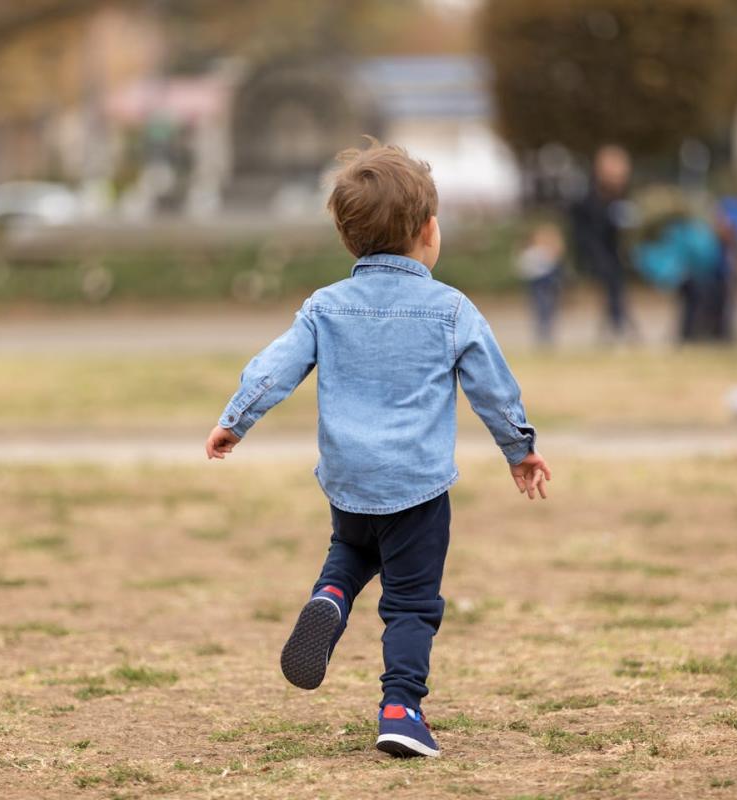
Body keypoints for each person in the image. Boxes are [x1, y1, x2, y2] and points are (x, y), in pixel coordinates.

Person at [204, 143, 550, 759]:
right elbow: (493, 388)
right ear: (427, 232)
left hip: (349, 481)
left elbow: (275, 366)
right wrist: (519, 449)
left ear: (349, 239)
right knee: (413, 603)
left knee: (353, 549)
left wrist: (237, 419)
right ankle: (401, 708)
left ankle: (330, 599)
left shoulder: (325, 306)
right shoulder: (451, 310)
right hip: (417, 485)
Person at [571, 145, 635, 342]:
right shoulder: (590, 194)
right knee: (612, 286)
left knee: (615, 288)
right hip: (595, 249)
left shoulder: (619, 195)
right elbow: (584, 225)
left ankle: (618, 326)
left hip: (611, 250)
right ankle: (619, 326)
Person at [515, 223, 565, 345]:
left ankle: (546, 333)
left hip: (547, 282)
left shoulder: (546, 251)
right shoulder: (532, 252)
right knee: (541, 307)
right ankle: (542, 333)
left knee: (547, 308)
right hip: (537, 283)